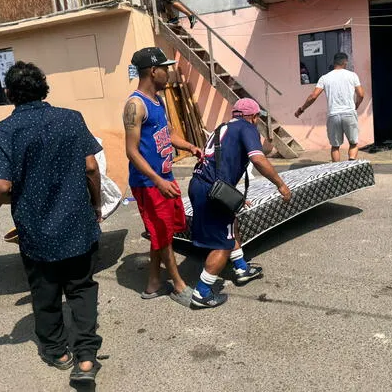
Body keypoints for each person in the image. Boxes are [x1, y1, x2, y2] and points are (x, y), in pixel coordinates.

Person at [0, 62, 104, 383]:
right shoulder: (71, 119)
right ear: (44, 87)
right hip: (77, 223)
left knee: (44, 291)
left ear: (8, 94)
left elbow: (1, 186)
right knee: (82, 287)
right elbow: (90, 168)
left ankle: (57, 351)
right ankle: (86, 358)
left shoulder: (1, 132)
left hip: (36, 230)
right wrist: (96, 204)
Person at [188, 98, 292, 308]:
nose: (257, 121)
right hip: (212, 190)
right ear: (252, 117)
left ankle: (241, 268)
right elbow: (258, 159)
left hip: (199, 184)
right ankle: (202, 292)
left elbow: (221, 163)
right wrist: (281, 184)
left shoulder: (222, 128)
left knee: (231, 222)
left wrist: (234, 196)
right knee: (222, 244)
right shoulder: (247, 128)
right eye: (257, 117)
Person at [123, 47, 203, 307]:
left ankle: (153, 282)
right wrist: (157, 180)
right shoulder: (135, 105)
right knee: (162, 233)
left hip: (164, 178)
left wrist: (189, 146)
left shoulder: (158, 100)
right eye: (165, 68)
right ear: (153, 71)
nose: (168, 73)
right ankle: (178, 286)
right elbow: (131, 152)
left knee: (162, 232)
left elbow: (168, 134)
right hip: (148, 183)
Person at [295, 52, 365, 162]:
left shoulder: (325, 78)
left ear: (334, 63)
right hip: (349, 113)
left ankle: (336, 170)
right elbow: (361, 94)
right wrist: (356, 105)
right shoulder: (352, 75)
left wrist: (301, 109)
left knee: (335, 146)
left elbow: (313, 96)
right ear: (345, 62)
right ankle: (351, 165)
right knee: (353, 143)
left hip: (333, 115)